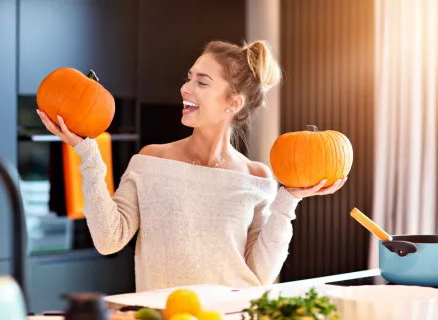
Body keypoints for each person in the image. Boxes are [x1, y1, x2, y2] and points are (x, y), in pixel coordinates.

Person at [37, 40, 347, 292]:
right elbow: (108, 240)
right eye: (189, 78)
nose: (186, 88)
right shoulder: (152, 161)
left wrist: (288, 201)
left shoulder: (257, 177)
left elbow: (260, 274)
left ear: (233, 102)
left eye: (202, 82)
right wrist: (88, 154)